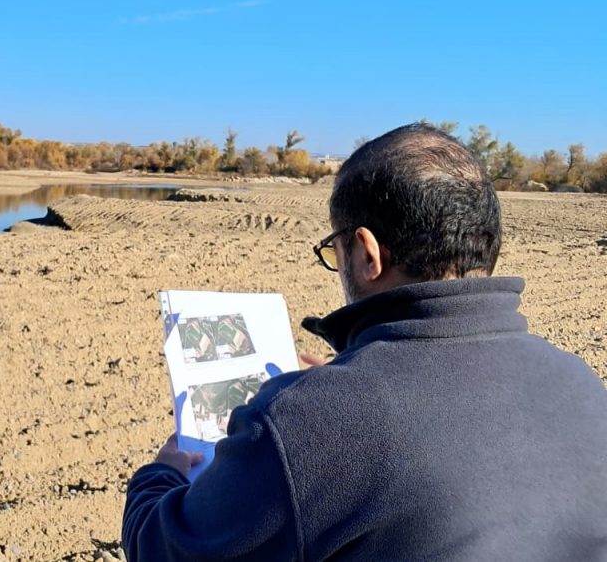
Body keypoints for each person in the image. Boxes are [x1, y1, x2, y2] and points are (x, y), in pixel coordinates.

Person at [121, 123, 607, 561]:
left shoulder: (309, 421)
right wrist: (345, 386)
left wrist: (157, 477)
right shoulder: (581, 384)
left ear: (368, 253)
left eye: (335, 250)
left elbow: (164, 550)